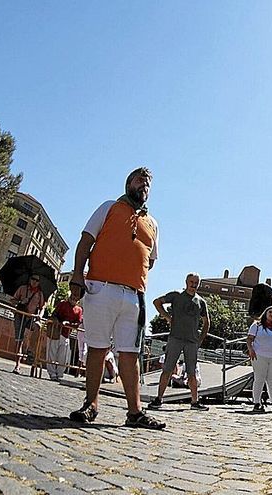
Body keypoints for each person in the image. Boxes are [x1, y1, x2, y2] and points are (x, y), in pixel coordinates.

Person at [67, 167, 164, 429]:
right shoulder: (109, 207)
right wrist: (77, 275)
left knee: (130, 353)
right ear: (128, 183)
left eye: (148, 185)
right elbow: (86, 241)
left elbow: (150, 260)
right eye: (140, 181)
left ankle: (135, 413)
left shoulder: (152, 223)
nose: (144, 186)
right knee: (98, 348)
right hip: (101, 287)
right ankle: (91, 404)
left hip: (134, 296)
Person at [148, 273, 211, 411]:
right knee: (168, 369)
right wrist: (167, 317)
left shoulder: (201, 302)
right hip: (175, 338)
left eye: (196, 282)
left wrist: (200, 339)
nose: (194, 284)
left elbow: (207, 322)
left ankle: (195, 401)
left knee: (192, 372)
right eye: (191, 281)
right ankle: (159, 399)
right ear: (186, 282)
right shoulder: (176, 295)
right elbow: (157, 302)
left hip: (192, 341)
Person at [247, 307, 272, 412]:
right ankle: (256, 403)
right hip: (260, 355)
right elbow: (249, 339)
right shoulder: (257, 325)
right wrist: (251, 350)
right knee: (259, 379)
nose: (271, 314)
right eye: (270, 312)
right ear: (265, 313)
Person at [11, 275, 45, 374]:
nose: (34, 281)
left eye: (37, 280)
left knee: (38, 326)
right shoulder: (22, 288)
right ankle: (17, 365)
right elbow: (12, 300)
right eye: (33, 279)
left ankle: (30, 350)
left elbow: (42, 307)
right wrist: (21, 301)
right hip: (20, 315)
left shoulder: (40, 293)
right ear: (29, 279)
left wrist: (40, 315)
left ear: (39, 282)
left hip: (31, 318)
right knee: (19, 340)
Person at [46, 293, 83, 380]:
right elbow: (54, 314)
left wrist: (69, 324)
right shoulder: (62, 304)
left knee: (63, 355)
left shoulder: (79, 310)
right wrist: (58, 321)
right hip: (55, 331)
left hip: (66, 334)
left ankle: (60, 373)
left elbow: (78, 323)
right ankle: (52, 373)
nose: (74, 298)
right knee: (52, 353)